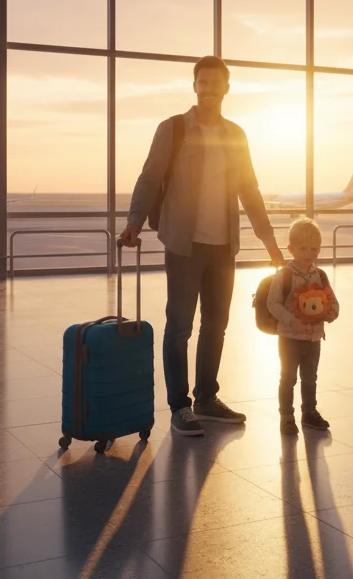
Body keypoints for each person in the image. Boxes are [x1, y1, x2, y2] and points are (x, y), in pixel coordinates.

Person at [120, 55, 285, 437]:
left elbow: (250, 189)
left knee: (217, 326)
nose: (209, 89)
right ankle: (180, 406)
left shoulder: (235, 134)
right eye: (203, 82)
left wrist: (270, 241)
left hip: (223, 245)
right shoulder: (173, 129)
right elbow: (150, 177)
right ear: (194, 86)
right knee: (179, 327)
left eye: (216, 83)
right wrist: (134, 221)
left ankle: (207, 399)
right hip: (183, 242)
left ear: (227, 88)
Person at [267, 218, 339, 434]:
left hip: (314, 338)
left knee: (310, 378)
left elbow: (332, 300)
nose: (309, 253)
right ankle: (286, 416)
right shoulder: (285, 275)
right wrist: (290, 320)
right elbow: (273, 303)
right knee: (288, 377)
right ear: (291, 249)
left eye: (314, 249)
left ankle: (309, 412)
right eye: (303, 248)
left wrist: (333, 312)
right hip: (289, 338)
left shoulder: (321, 275)